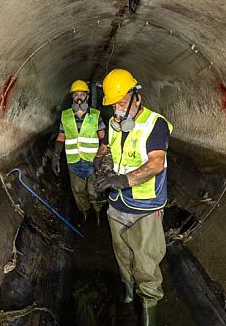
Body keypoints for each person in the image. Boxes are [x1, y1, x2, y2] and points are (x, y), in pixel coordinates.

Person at [93, 69, 172, 326]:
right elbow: (103, 150)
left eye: (122, 102)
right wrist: (102, 167)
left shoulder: (155, 124)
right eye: (113, 103)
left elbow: (156, 163)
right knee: (122, 254)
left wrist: (122, 180)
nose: (117, 108)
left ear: (137, 97)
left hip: (145, 207)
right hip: (117, 205)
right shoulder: (115, 124)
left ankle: (148, 310)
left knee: (146, 261)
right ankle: (128, 292)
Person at [49, 80, 107, 225]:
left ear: (87, 96)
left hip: (93, 161)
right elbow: (61, 137)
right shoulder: (66, 116)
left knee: (95, 190)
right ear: (72, 97)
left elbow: (103, 138)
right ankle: (85, 212)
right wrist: (55, 157)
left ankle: (98, 212)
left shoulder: (96, 115)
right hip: (74, 161)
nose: (79, 97)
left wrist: (103, 157)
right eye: (76, 95)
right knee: (78, 190)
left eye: (82, 94)